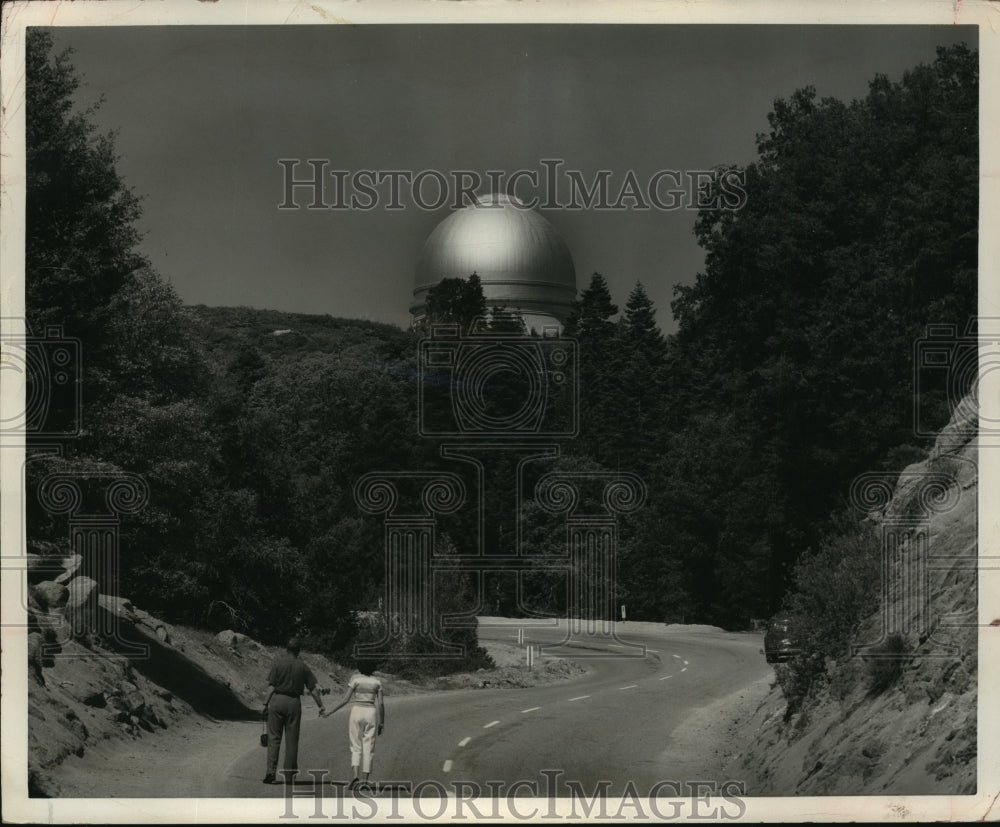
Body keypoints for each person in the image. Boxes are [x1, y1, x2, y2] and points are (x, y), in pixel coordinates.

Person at [262, 637, 326, 784]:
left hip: (277, 701)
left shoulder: (278, 664)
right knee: (292, 740)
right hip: (293, 703)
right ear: (298, 651)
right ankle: (289, 776)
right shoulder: (303, 667)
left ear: (286, 649)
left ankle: (270, 774)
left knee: (273, 739)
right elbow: (313, 690)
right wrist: (320, 706)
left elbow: (271, 686)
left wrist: (265, 704)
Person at [321, 661, 384, 790]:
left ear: (360, 668)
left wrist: (329, 712)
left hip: (356, 712)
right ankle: (365, 781)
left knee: (355, 746)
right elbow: (381, 704)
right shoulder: (377, 682)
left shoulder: (355, 679)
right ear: (373, 668)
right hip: (370, 712)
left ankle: (355, 776)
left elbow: (345, 700)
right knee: (369, 747)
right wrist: (382, 722)